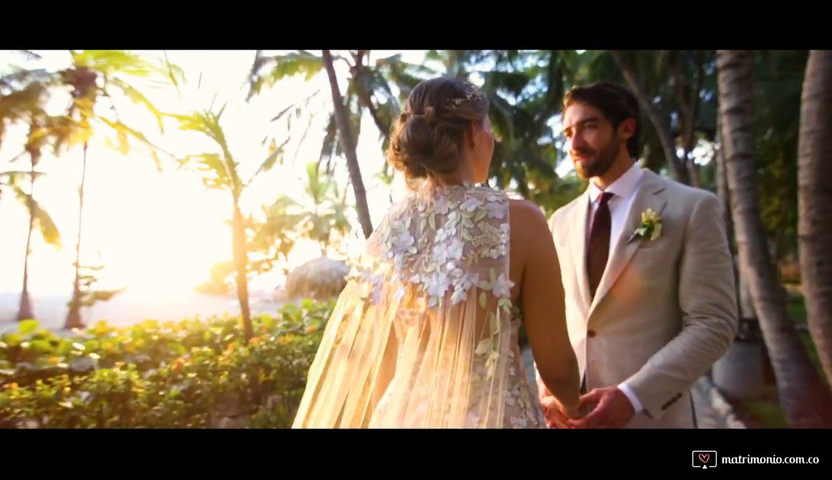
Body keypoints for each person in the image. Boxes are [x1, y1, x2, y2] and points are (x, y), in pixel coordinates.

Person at [292, 77, 581, 428]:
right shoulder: (518, 221)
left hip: (405, 415)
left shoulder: (392, 226)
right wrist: (572, 406)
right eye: (489, 128)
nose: (492, 139)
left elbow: (381, 357)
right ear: (474, 133)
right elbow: (557, 366)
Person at [537, 81, 737, 428]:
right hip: (569, 418)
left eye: (589, 126)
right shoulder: (561, 221)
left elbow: (713, 323)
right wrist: (547, 388)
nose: (574, 143)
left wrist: (633, 396)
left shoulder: (690, 208)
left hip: (651, 418)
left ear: (626, 128)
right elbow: (553, 318)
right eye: (568, 132)